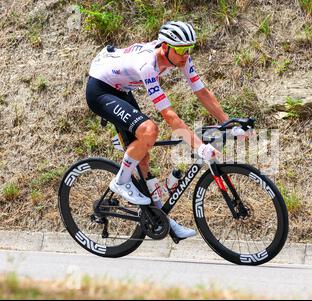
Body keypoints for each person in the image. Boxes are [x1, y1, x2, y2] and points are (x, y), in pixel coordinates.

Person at [85, 21, 249, 238]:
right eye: (181, 49)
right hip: (100, 89)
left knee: (142, 158)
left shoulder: (181, 57)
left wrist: (228, 123)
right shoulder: (147, 66)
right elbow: (169, 116)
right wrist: (200, 148)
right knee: (149, 130)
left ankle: (163, 219)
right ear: (165, 47)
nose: (185, 55)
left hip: (121, 87)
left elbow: (202, 92)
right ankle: (121, 182)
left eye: (189, 49)